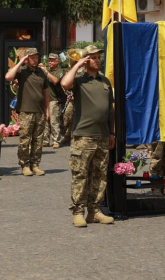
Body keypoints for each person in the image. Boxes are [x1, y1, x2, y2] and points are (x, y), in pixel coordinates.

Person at [61, 45, 115, 227]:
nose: (98, 60)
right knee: (80, 175)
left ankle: (95, 211)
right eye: (93, 57)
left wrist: (112, 133)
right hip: (83, 136)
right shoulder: (79, 80)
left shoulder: (105, 82)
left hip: (102, 135)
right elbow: (64, 84)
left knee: (99, 175)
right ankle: (78, 212)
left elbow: (110, 111)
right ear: (85, 61)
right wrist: (78, 65)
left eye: (99, 57)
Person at [5, 48, 49, 176]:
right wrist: (21, 62)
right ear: (27, 59)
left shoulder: (42, 72)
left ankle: (35, 164)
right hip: (25, 111)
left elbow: (46, 93)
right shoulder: (22, 71)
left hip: (39, 111)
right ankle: (24, 165)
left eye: (37, 57)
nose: (35, 59)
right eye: (32, 57)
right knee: (25, 139)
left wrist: (47, 110)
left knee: (38, 140)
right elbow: (8, 77)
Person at [42, 53, 64, 149]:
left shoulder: (60, 71)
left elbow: (55, 81)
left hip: (54, 99)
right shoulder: (47, 71)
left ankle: (56, 140)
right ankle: (45, 140)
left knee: (54, 121)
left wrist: (46, 72)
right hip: (44, 99)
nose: (50, 62)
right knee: (45, 121)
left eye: (52, 60)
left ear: (57, 61)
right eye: (49, 60)